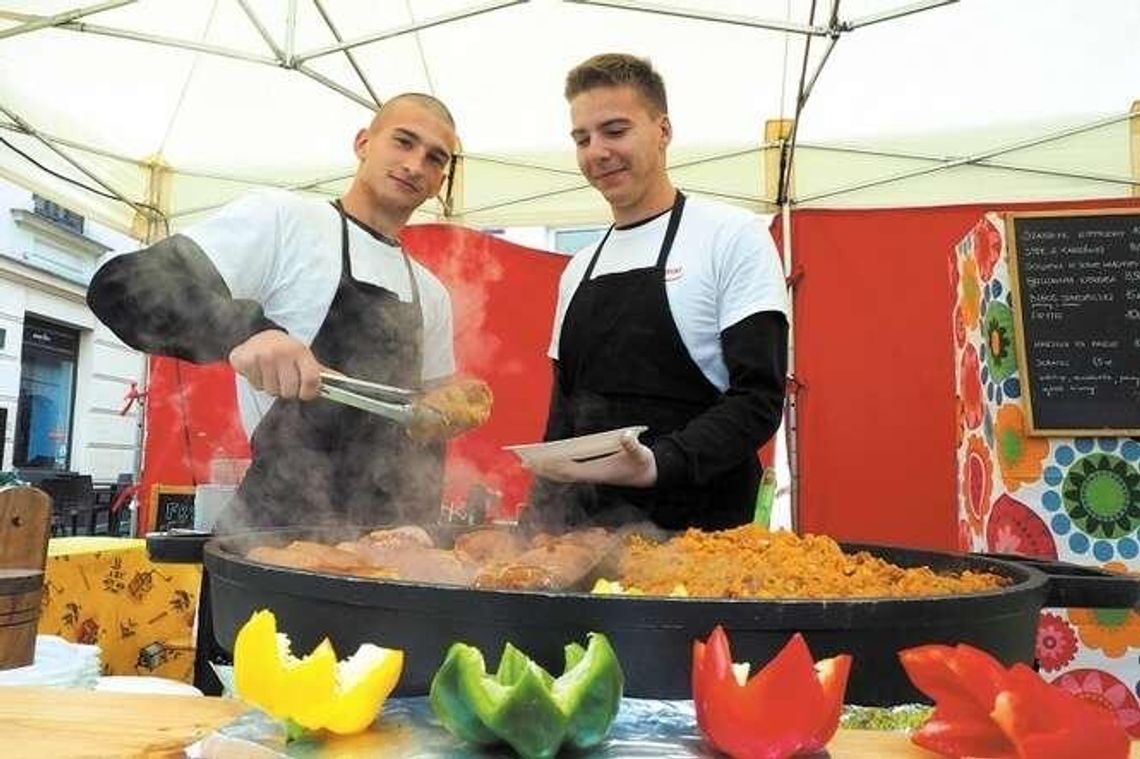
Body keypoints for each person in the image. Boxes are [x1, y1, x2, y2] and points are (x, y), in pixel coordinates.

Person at [88, 93, 472, 530]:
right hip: (275, 526)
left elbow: (428, 430)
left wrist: (422, 529)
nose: (415, 165)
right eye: (403, 142)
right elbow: (122, 285)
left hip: (386, 538)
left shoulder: (432, 294)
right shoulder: (286, 221)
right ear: (364, 143)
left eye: (434, 158)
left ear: (440, 179)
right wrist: (247, 332)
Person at [527, 54, 789, 531]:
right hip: (584, 546)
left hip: (704, 542)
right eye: (582, 139)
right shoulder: (578, 269)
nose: (596, 152)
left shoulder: (732, 236)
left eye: (615, 130)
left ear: (663, 130)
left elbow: (759, 400)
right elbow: (562, 420)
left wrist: (658, 463)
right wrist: (534, 531)